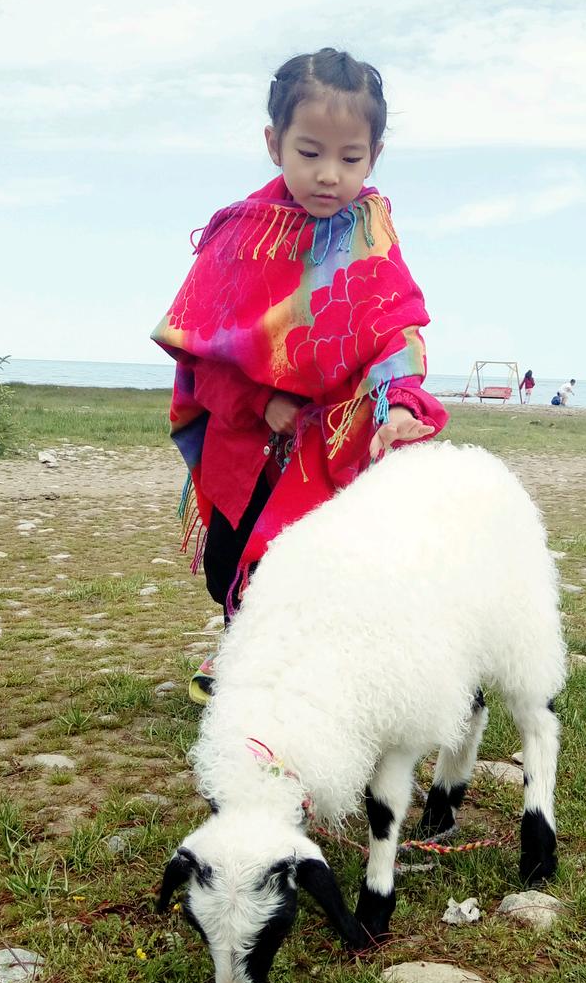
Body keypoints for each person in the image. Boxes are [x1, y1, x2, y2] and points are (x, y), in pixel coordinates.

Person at [152, 48, 447, 703]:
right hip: (248, 443)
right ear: (273, 143)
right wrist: (260, 400)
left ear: (374, 155)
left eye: (351, 158)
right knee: (230, 564)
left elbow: (395, 326)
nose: (329, 175)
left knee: (315, 567)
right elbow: (202, 348)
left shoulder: (372, 232)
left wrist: (401, 403)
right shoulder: (238, 237)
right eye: (310, 152)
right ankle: (240, 645)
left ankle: (295, 684)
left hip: (332, 443)